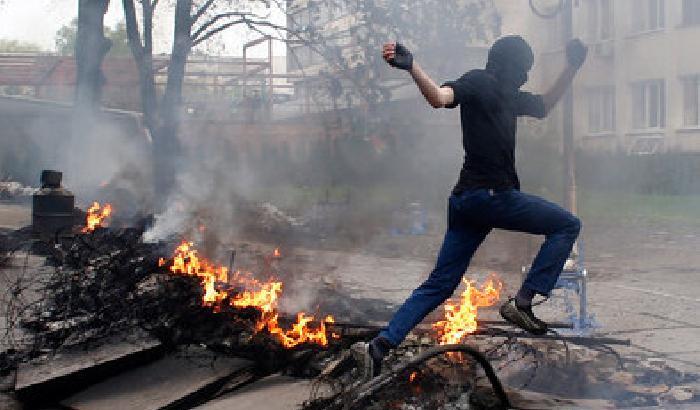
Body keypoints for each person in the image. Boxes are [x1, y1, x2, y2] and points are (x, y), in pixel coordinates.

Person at [354, 35, 588, 379]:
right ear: (511, 64)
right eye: (523, 68)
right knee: (567, 225)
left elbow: (544, 105)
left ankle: (379, 347)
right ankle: (522, 303)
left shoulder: (509, 94)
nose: (524, 75)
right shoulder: (480, 81)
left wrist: (571, 67)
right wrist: (412, 67)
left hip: (466, 201)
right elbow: (440, 97)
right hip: (491, 196)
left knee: (440, 284)